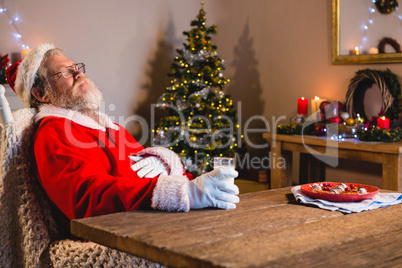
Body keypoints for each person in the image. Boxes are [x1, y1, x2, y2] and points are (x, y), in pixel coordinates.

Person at [5, 43, 239, 237]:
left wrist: (175, 169)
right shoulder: (53, 133)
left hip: (149, 223)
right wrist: (186, 193)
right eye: (65, 72)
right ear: (42, 94)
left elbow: (141, 169)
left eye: (75, 67)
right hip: (114, 238)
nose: (78, 73)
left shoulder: (107, 127)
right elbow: (86, 198)